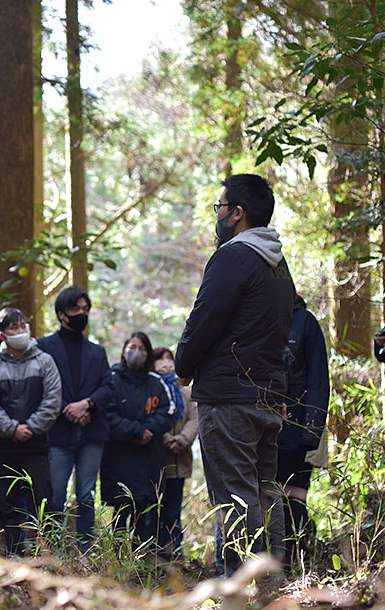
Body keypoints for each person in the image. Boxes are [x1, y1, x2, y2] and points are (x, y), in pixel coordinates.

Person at [175, 173, 295, 575]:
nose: (218, 215)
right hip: (267, 396)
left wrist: (184, 366)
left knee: (234, 495)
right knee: (265, 490)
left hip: (229, 397)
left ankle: (238, 587)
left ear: (237, 213)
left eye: (220, 207)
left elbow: (204, 318)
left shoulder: (233, 256)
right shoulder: (278, 264)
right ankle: (273, 584)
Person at [0, 307, 62, 555]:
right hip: (3, 446)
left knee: (43, 499)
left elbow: (53, 399)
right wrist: (12, 429)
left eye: (23, 325)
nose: (20, 331)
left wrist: (31, 427)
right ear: (1, 334)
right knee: (7, 502)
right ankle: (14, 551)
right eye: (13, 327)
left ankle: (44, 552)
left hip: (36, 446)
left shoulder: (44, 361)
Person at [36, 285, 112, 550]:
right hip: (57, 431)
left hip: (92, 433)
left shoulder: (97, 351)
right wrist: (69, 408)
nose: (82, 313)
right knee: (55, 494)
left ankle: (84, 551)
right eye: (75, 309)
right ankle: (52, 551)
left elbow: (108, 387)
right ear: (61, 314)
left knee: (87, 496)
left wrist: (86, 405)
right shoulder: (43, 347)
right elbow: (41, 387)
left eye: (85, 309)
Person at [100, 331, 174, 543]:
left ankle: (141, 558)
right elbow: (108, 413)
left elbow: (168, 412)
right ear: (123, 352)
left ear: (149, 354)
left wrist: (148, 430)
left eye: (141, 349)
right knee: (122, 507)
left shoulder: (156, 383)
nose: (136, 352)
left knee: (144, 507)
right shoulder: (112, 379)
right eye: (132, 347)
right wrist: (136, 431)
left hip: (149, 456)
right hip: (119, 455)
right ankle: (118, 556)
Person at [277, 294, 329, 571]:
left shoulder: (305, 322)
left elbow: (318, 379)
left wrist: (312, 430)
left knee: (294, 497)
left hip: (298, 433)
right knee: (270, 497)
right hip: (267, 431)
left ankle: (295, 561)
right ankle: (271, 563)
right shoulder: (261, 316)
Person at [152, 347, 198, 560]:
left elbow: (194, 420)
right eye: (159, 360)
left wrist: (180, 440)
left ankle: (174, 555)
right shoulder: (151, 388)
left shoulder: (185, 393)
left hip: (179, 460)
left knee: (172, 512)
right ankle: (154, 554)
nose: (165, 364)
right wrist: (163, 438)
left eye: (168, 359)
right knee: (154, 511)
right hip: (155, 461)